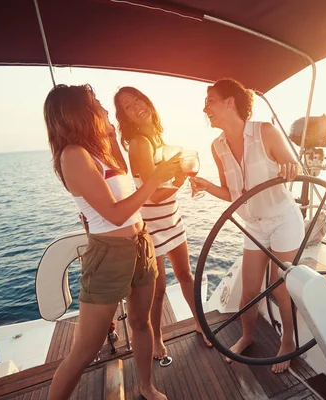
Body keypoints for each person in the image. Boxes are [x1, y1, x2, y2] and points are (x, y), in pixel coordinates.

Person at [44, 84, 179, 400]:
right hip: (109, 256)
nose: (105, 108)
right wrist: (156, 179)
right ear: (79, 113)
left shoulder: (103, 149)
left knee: (141, 323)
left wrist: (115, 137)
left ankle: (146, 386)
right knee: (85, 350)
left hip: (141, 245)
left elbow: (125, 199)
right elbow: (116, 214)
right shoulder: (74, 155)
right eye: (97, 104)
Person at [192, 78, 304, 373]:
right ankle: (247, 336)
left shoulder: (265, 131)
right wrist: (205, 184)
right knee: (249, 291)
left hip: (282, 219)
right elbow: (232, 193)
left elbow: (296, 168)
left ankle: (288, 342)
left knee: (279, 286)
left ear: (230, 102)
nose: (206, 108)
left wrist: (290, 168)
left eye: (210, 101)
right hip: (253, 226)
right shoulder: (217, 147)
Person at [114, 86, 212, 360]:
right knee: (159, 288)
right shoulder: (139, 143)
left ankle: (200, 325)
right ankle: (157, 339)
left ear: (147, 102)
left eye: (137, 100)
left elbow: (165, 184)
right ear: (126, 118)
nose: (136, 107)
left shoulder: (158, 139)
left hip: (172, 218)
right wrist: (181, 180)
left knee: (186, 276)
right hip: (151, 224)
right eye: (128, 107)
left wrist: (180, 174)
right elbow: (154, 195)